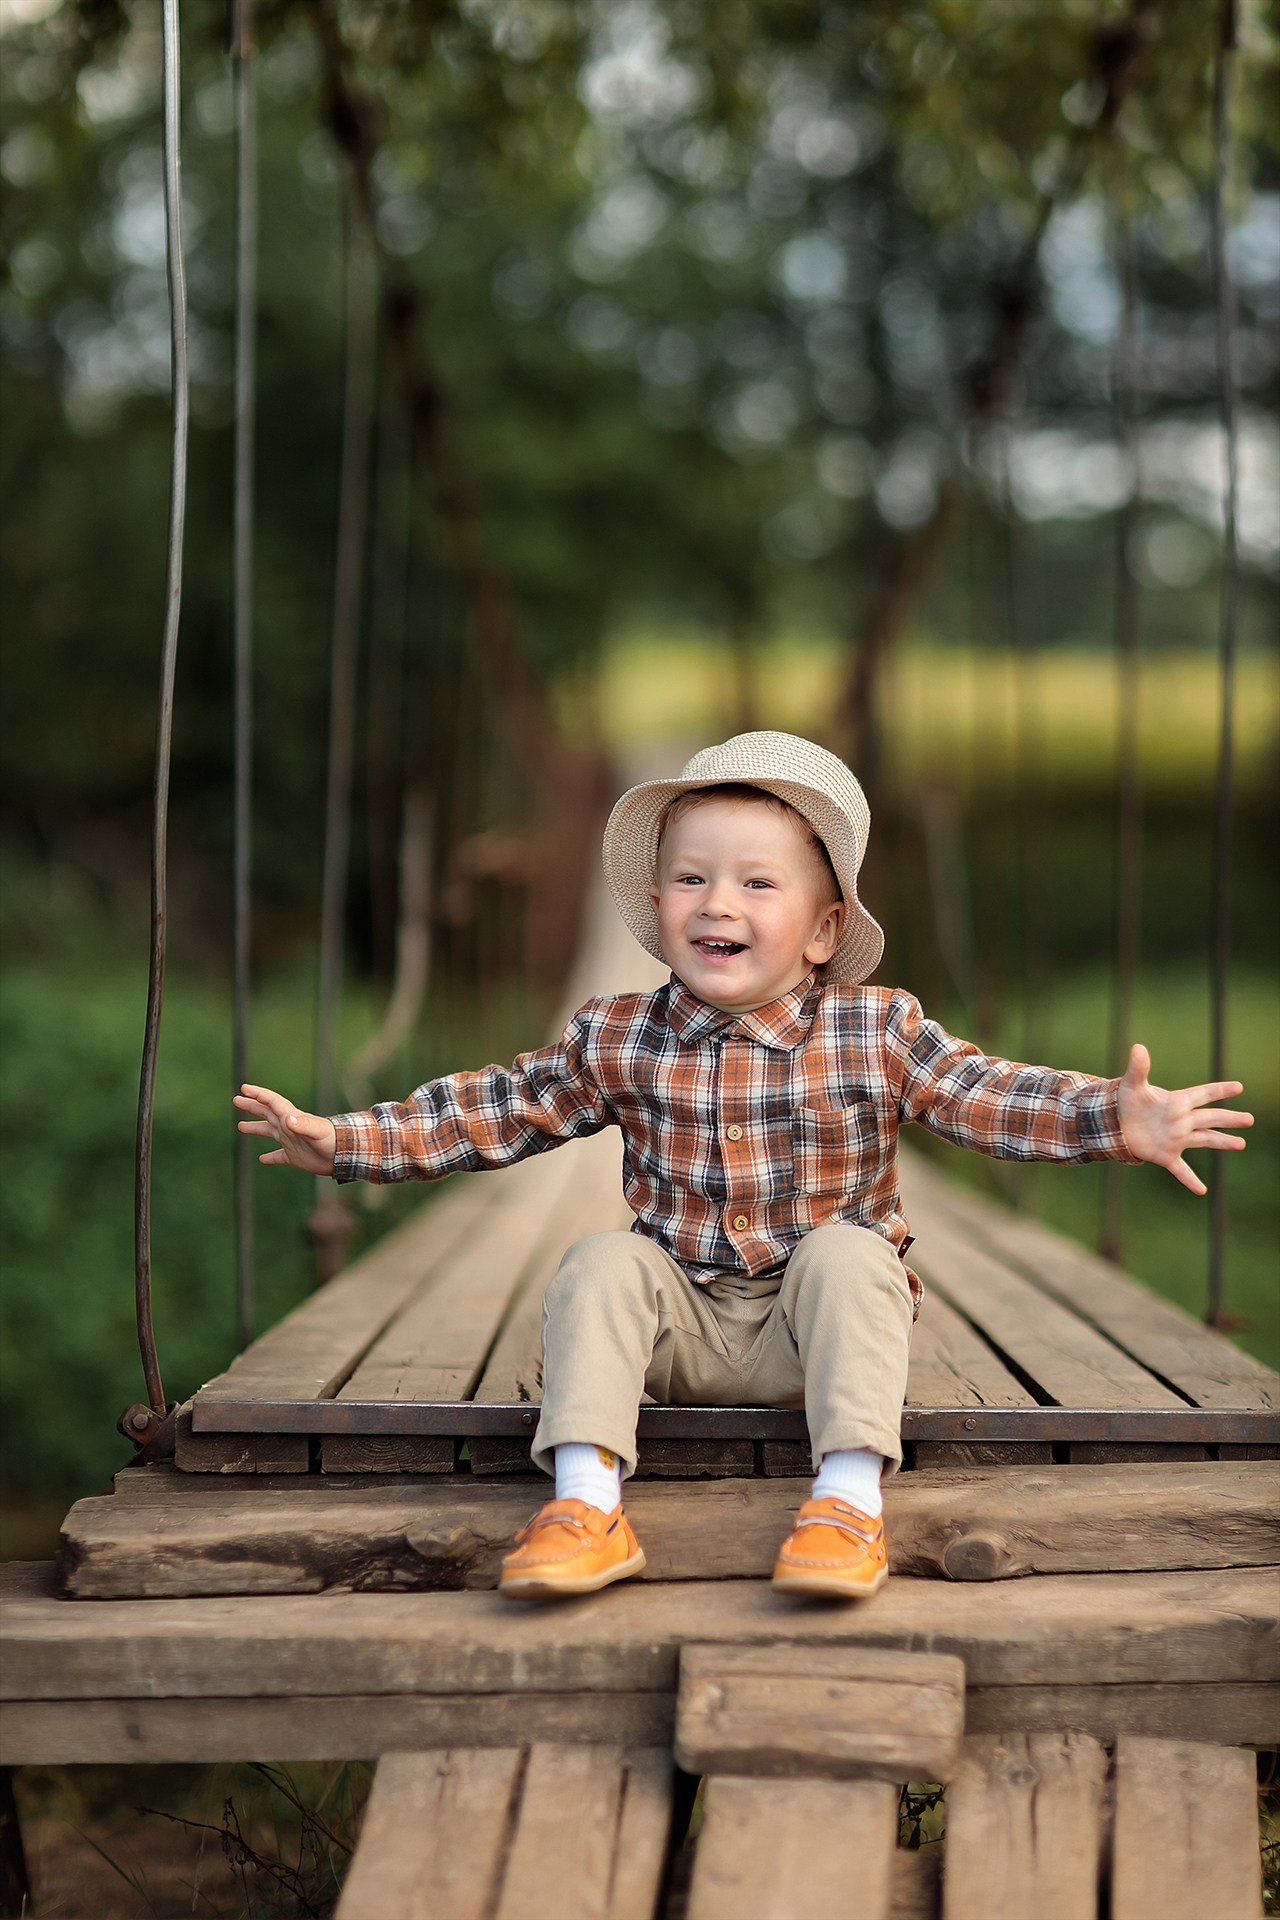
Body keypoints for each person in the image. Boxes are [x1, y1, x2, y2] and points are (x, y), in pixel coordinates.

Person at [235, 732, 1252, 1603]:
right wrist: (349, 1144)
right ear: (656, 901)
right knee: (598, 1265)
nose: (716, 902)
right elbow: (498, 1108)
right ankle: (586, 1508)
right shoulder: (618, 1035)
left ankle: (847, 1506)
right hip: (677, 1329)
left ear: (820, 930)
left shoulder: (874, 1028)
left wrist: (1108, 1118)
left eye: (755, 883)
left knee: (854, 1258)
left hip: (810, 1336)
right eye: (690, 878)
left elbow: (982, 1094)